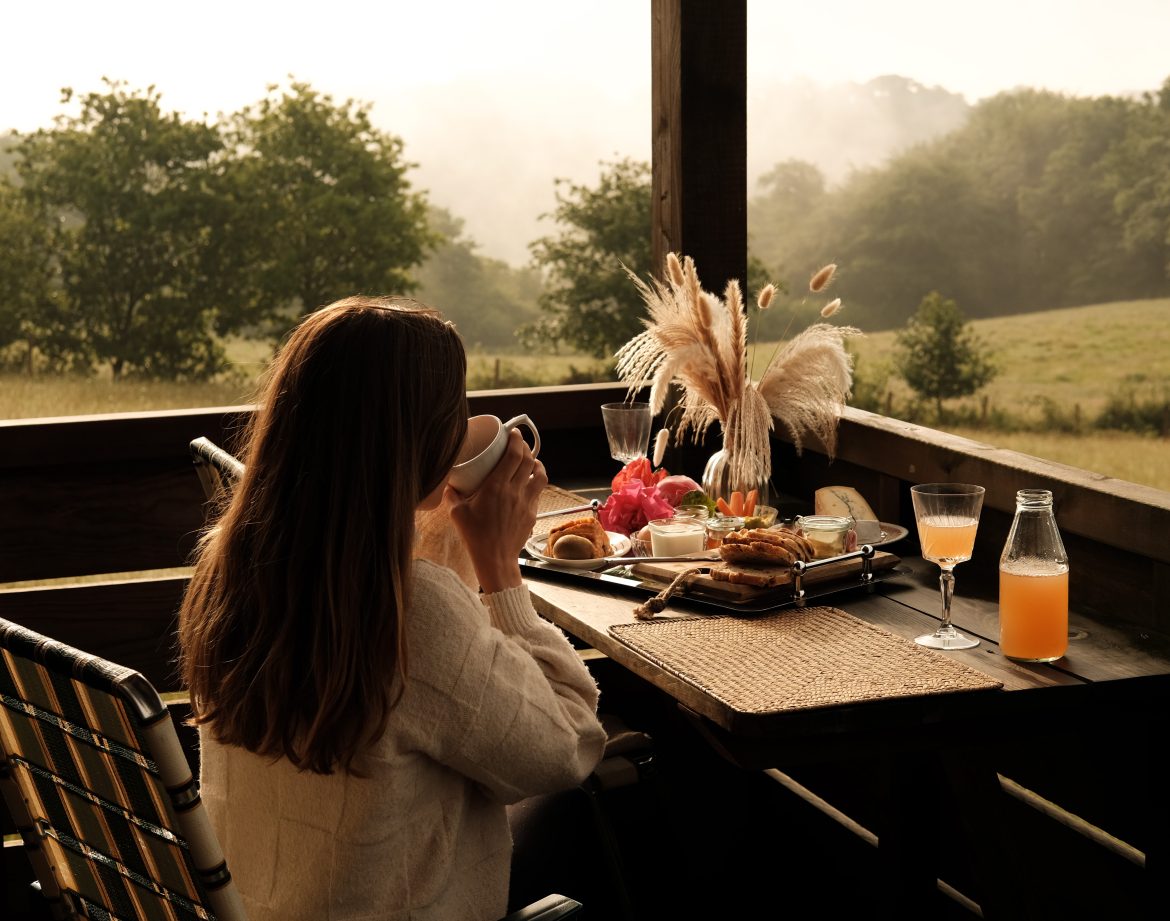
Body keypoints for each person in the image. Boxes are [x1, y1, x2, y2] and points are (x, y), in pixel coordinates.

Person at [178, 296, 607, 921]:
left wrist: (451, 532)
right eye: (448, 412)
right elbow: (569, 745)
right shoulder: (408, 608)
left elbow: (443, 689)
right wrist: (500, 569)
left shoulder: (229, 565)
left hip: (269, 903)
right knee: (611, 802)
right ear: (412, 436)